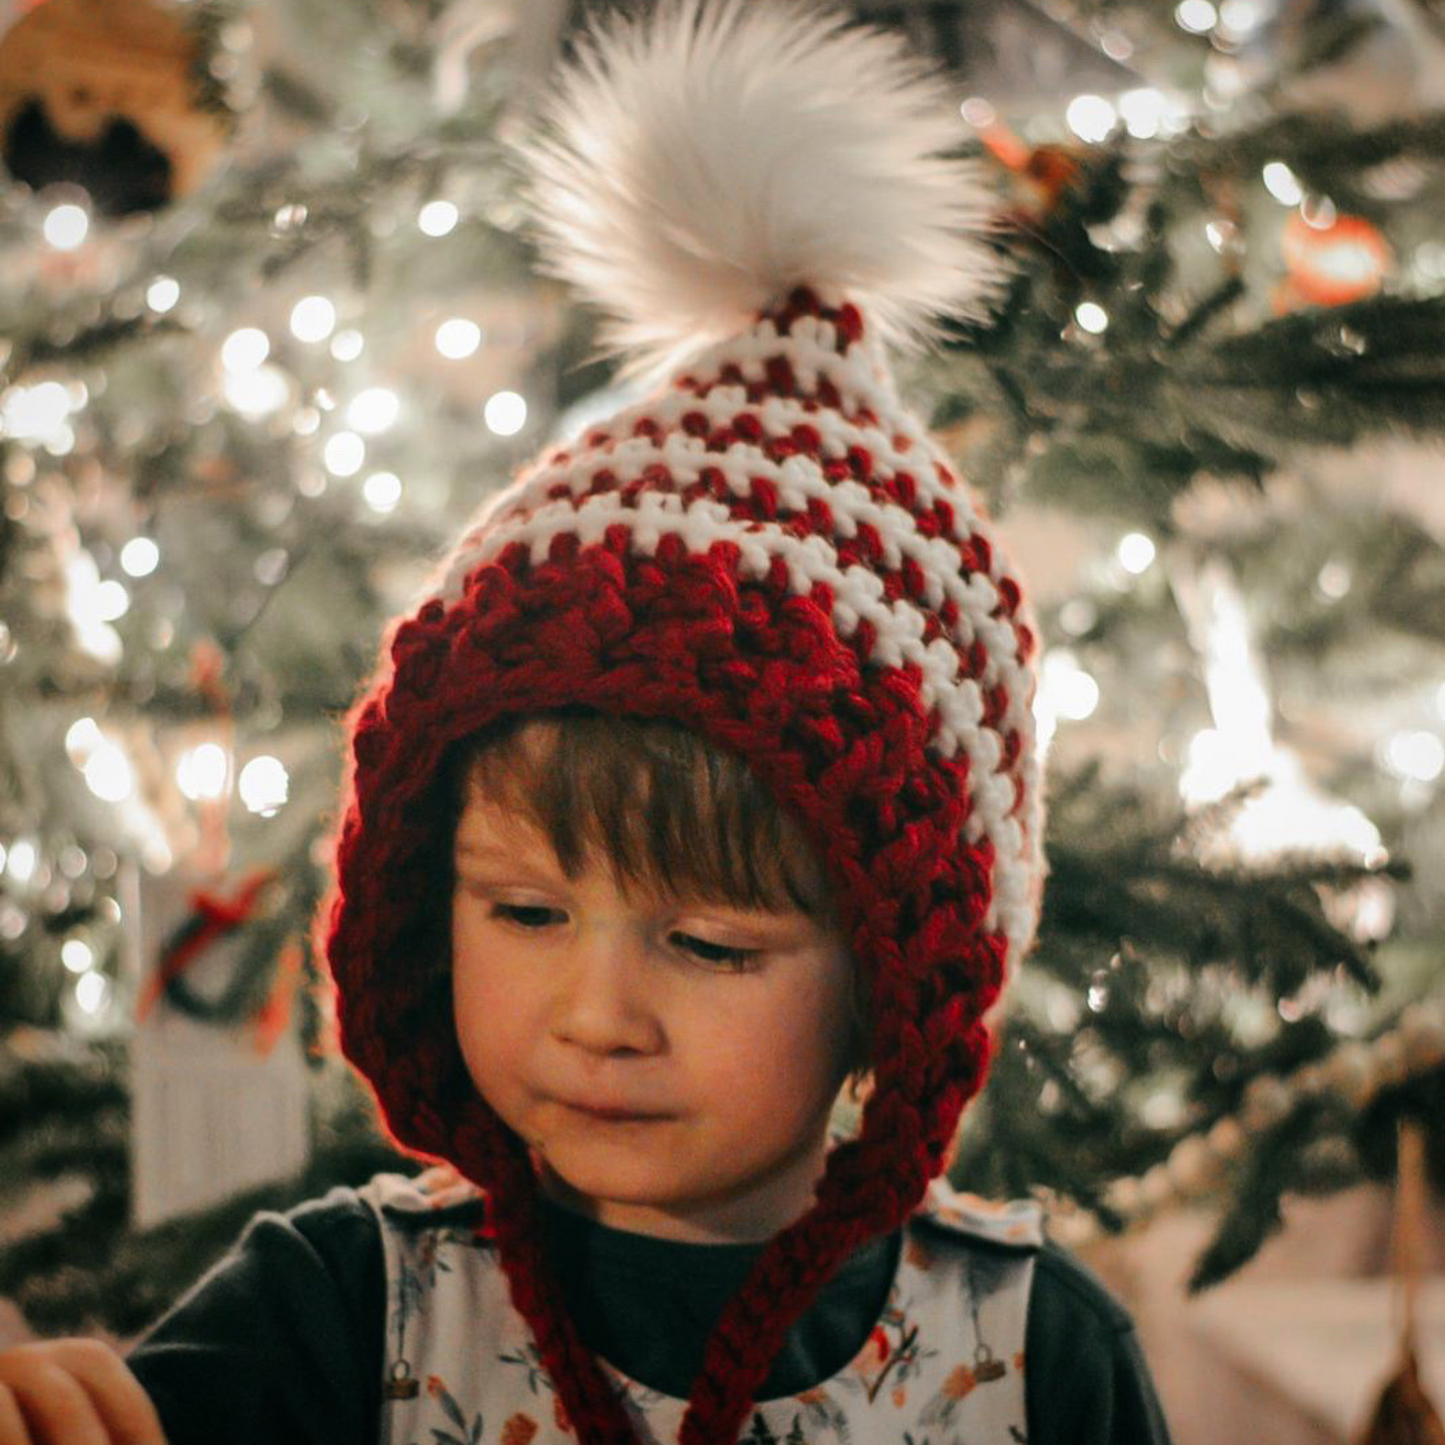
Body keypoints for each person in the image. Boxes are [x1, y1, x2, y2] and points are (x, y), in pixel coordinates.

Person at [0, 2, 1174, 1443]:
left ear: (895, 970)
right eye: (525, 913)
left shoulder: (1036, 1356)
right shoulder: (330, 1309)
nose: (597, 1018)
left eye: (709, 943)